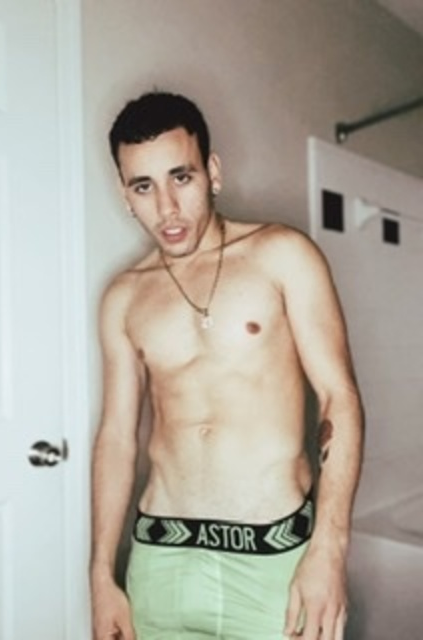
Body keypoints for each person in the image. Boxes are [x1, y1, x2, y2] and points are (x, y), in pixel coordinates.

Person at [90, 91, 364, 640]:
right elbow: (116, 437)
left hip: (274, 563)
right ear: (126, 195)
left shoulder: (282, 255)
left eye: (181, 177)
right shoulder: (123, 297)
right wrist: (100, 574)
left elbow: (340, 397)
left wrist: (330, 549)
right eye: (143, 187)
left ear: (212, 172)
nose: (167, 207)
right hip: (161, 561)